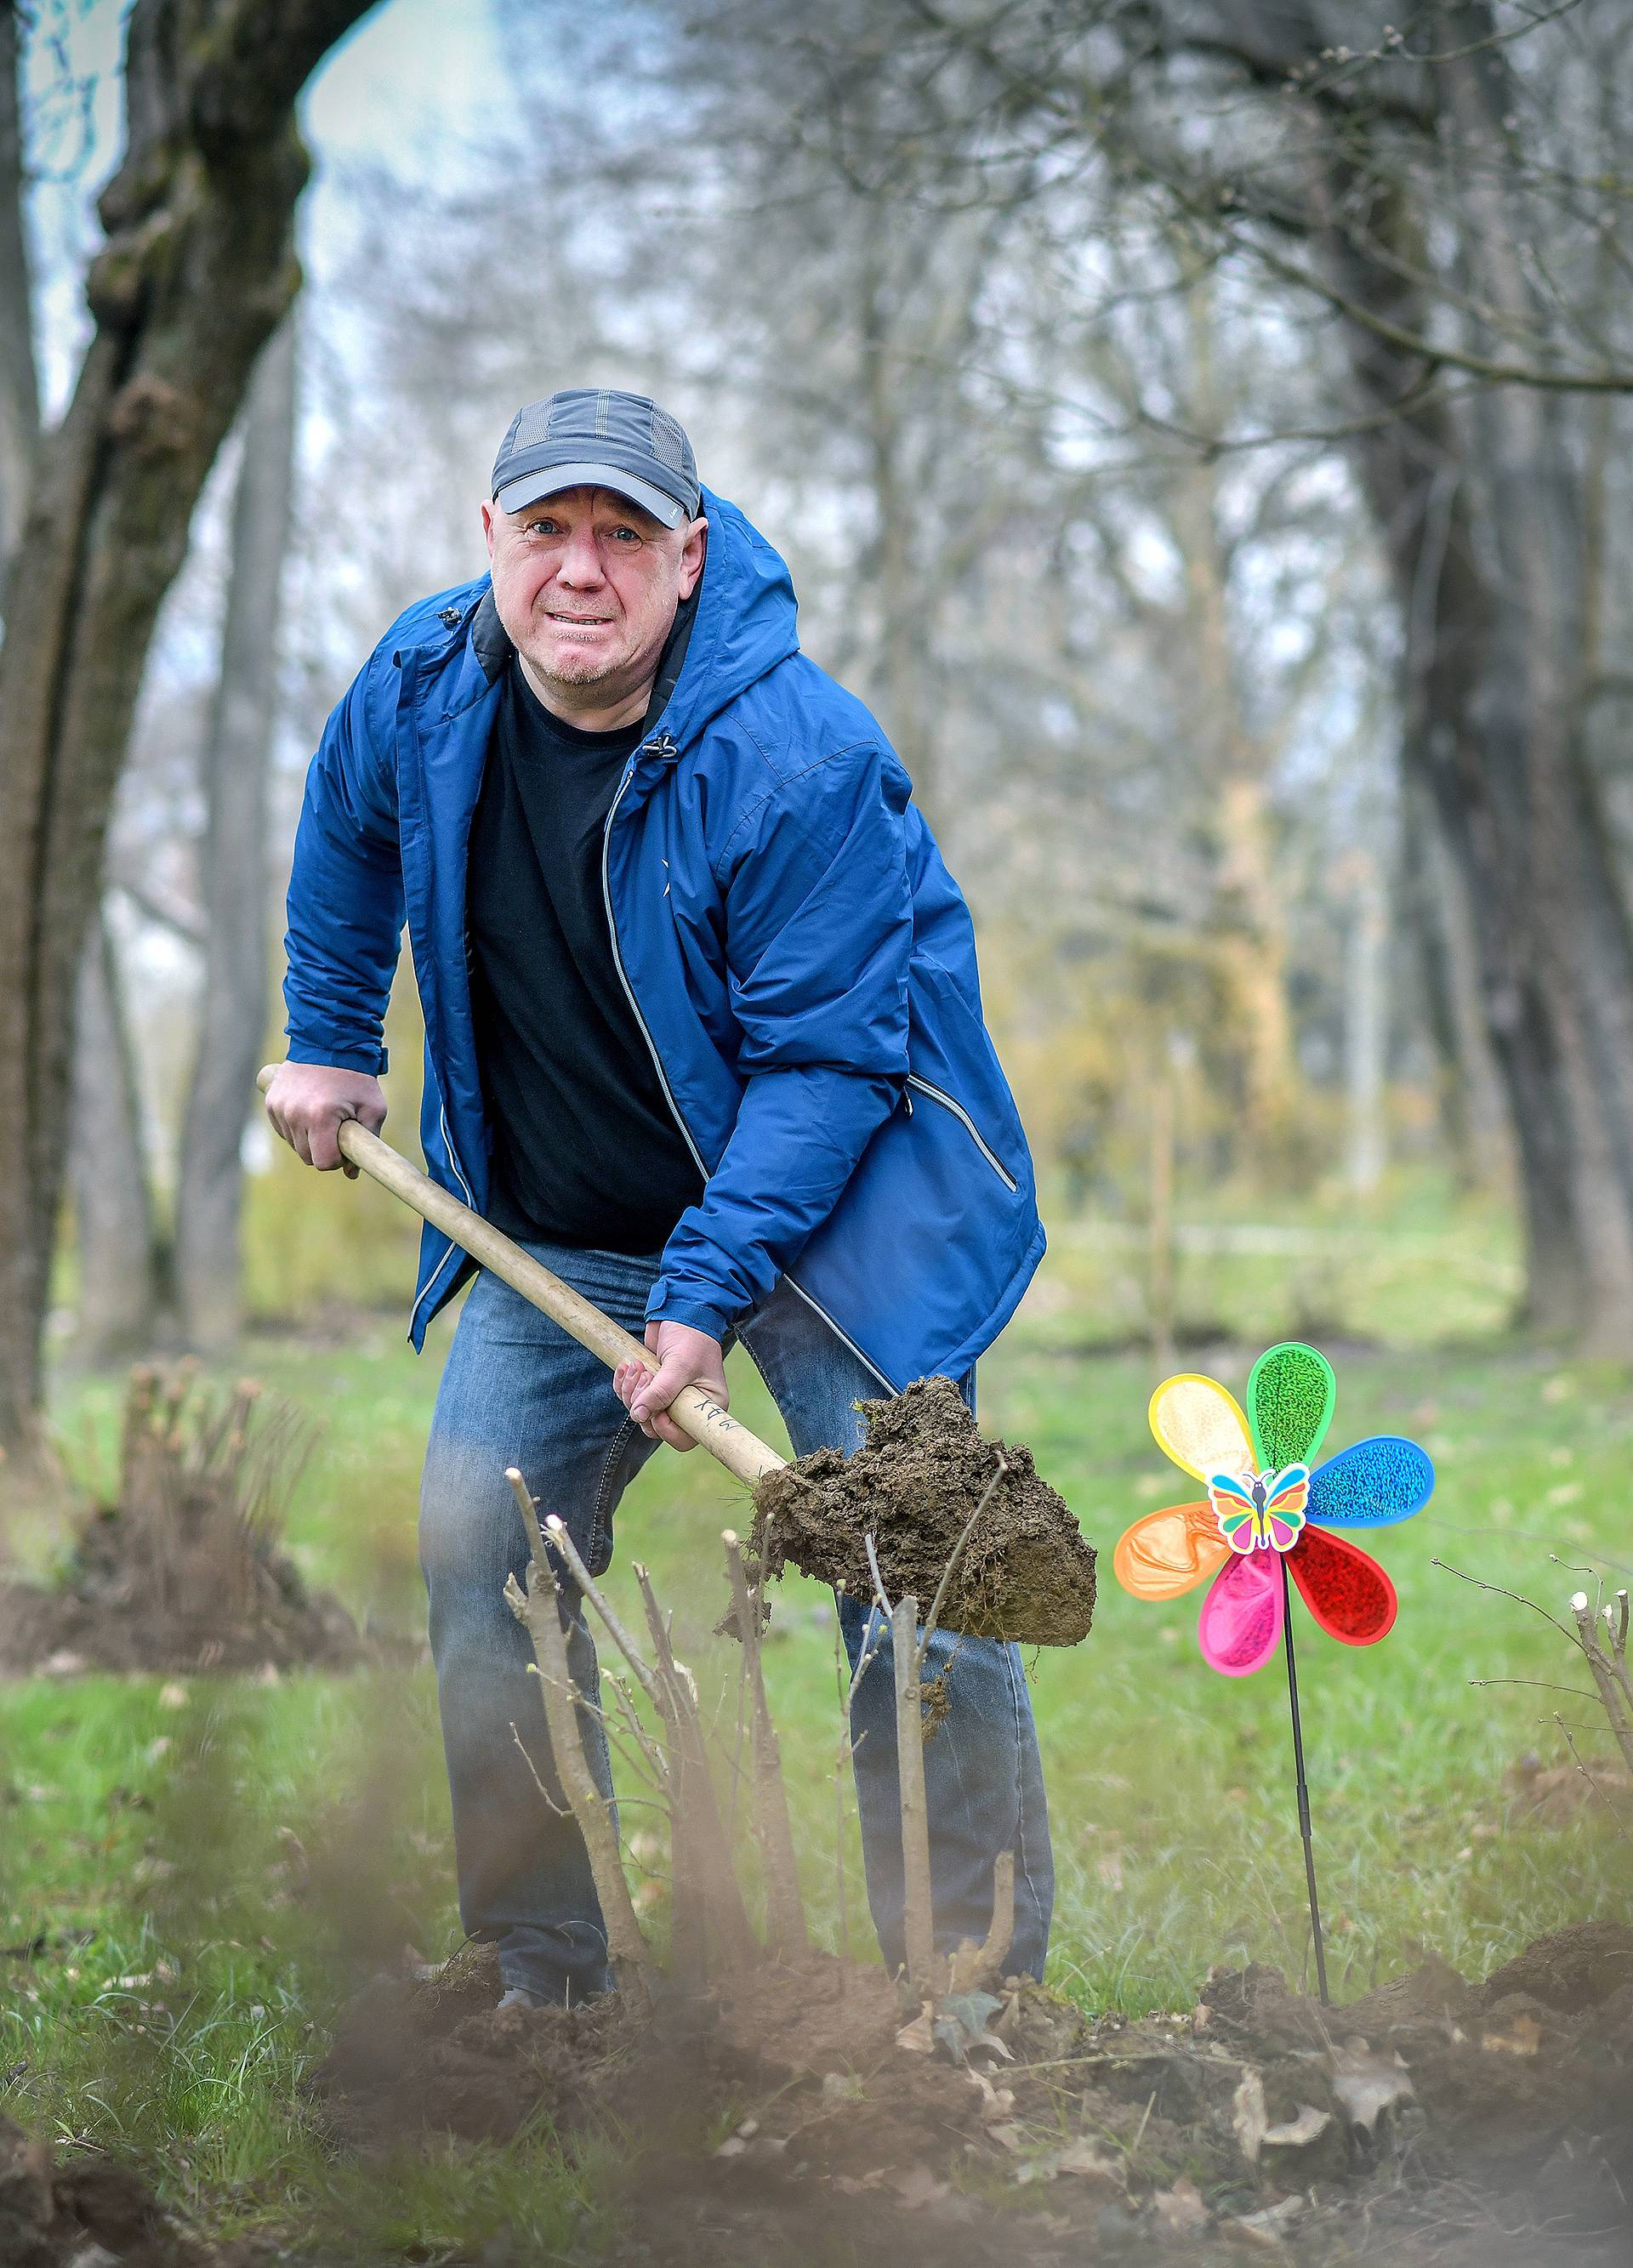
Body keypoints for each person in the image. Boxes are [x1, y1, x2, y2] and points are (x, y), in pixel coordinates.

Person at [266, 387, 1051, 2008]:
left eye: (623, 534)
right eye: (545, 528)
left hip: (831, 1225)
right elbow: (346, 834)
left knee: (919, 1580)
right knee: (481, 1547)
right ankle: (547, 1971)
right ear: (489, 541)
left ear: (690, 558)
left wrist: (704, 1297)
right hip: (560, 1224)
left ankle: (970, 1991)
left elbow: (832, 1065)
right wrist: (331, 1042)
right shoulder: (421, 684)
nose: (579, 570)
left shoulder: (797, 755)